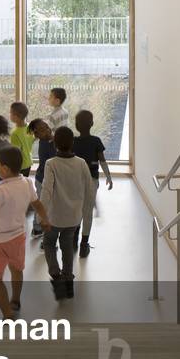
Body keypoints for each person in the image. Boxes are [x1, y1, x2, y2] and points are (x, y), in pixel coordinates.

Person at [0, 145, 49, 317]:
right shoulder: (27, 182)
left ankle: (8, 314)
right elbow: (37, 203)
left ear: (5, 169)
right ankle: (15, 300)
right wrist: (45, 219)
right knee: (17, 269)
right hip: (18, 237)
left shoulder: (0, 191)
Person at [39, 125, 93, 298]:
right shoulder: (81, 163)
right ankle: (68, 282)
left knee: (48, 244)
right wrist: (86, 211)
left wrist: (42, 214)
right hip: (74, 218)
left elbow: (46, 190)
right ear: (72, 144)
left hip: (54, 218)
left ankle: (56, 276)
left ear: (54, 143)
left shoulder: (51, 164)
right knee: (67, 247)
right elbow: (89, 189)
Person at [72, 109, 113, 258]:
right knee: (87, 212)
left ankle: (73, 239)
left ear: (76, 125)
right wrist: (108, 176)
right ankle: (84, 244)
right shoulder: (96, 141)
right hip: (92, 180)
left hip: (75, 181)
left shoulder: (73, 142)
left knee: (76, 210)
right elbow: (102, 160)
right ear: (92, 124)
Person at [28, 118, 55, 238]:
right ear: (37, 134)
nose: (48, 130)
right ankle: (38, 229)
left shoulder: (49, 141)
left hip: (45, 179)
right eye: (43, 130)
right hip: (42, 180)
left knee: (42, 204)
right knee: (42, 205)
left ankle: (37, 228)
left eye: (47, 126)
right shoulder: (45, 145)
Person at [9, 101, 33, 177]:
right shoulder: (29, 127)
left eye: (11, 113)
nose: (9, 115)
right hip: (28, 162)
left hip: (20, 165)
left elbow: (15, 153)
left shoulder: (15, 133)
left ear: (16, 117)